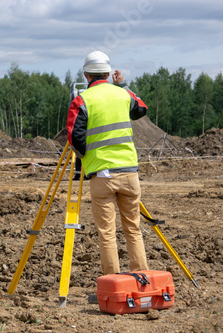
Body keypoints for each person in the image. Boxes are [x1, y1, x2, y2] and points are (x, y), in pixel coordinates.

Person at [66, 51, 149, 278]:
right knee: (133, 229)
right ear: (108, 73)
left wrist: (85, 157)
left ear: (86, 75)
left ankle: (113, 283)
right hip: (130, 173)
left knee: (107, 233)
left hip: (102, 175)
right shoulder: (122, 95)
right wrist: (122, 86)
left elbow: (74, 136)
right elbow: (141, 108)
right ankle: (141, 282)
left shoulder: (82, 100)